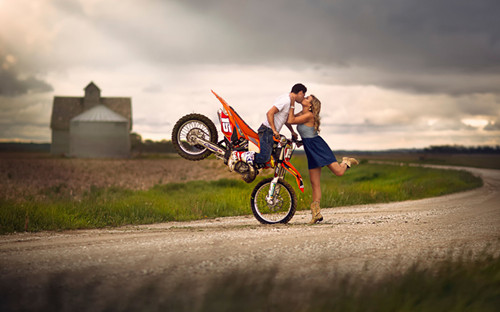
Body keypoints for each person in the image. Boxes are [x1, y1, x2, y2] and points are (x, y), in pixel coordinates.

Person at [287, 94, 359, 224]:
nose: (305, 97)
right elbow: (288, 120)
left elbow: (291, 120)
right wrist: (299, 139)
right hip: (310, 149)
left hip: (319, 147)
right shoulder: (301, 113)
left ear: (310, 105)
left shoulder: (309, 116)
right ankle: (316, 213)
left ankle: (345, 161)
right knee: (315, 183)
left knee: (339, 172)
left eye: (307, 98)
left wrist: (292, 102)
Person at [228, 83, 307, 170]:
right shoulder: (286, 100)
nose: (303, 97)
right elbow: (270, 113)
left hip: (270, 131)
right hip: (267, 130)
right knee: (264, 157)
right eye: (304, 94)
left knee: (271, 158)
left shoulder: (288, 100)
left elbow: (284, 119)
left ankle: (250, 168)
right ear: (300, 92)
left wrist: (292, 131)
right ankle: (237, 155)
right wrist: (274, 130)